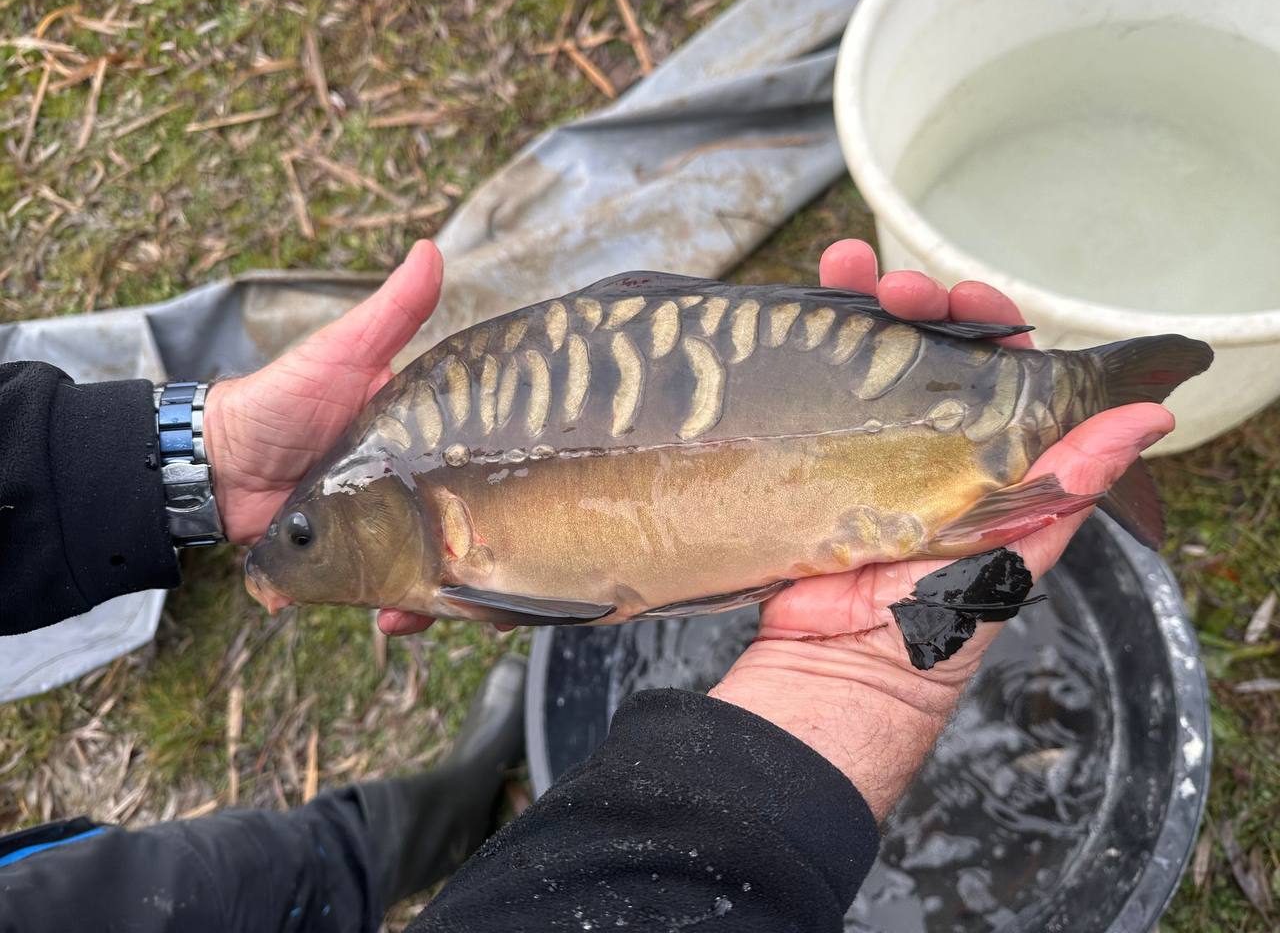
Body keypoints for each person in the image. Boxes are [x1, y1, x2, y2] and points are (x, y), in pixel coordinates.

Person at [0, 238, 1171, 932]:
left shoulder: (445, 531)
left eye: (301, 538)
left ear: (424, 526)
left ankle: (390, 836)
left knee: (188, 883)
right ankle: (412, 827)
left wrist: (180, 462)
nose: (280, 561)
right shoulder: (418, 496)